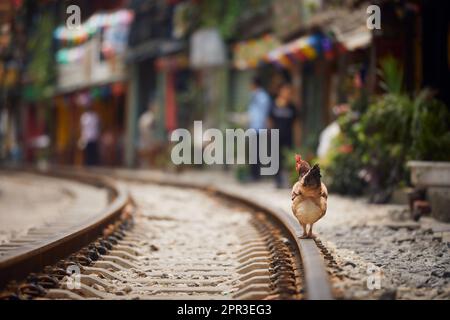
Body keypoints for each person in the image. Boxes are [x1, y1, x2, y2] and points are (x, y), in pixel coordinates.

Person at [269, 83, 297, 188]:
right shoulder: (274, 105)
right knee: (276, 159)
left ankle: (289, 180)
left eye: (288, 92)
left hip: (288, 136)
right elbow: (270, 119)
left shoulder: (292, 107)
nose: (287, 94)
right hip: (276, 136)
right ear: (280, 92)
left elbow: (296, 123)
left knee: (288, 159)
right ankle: (278, 181)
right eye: (285, 91)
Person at [247, 75, 271, 181]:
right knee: (253, 152)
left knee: (257, 152)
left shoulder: (262, 97)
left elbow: (265, 113)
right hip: (253, 127)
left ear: (254, 84)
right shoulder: (254, 95)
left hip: (260, 128)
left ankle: (256, 175)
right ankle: (253, 174)